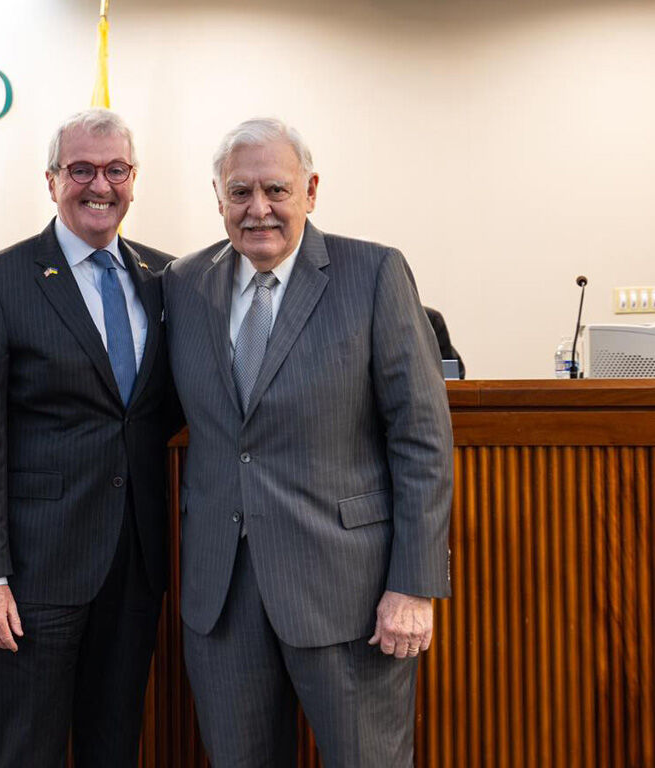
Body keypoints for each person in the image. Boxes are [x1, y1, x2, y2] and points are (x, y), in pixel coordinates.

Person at [162, 118, 453, 767]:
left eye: (276, 189)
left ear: (311, 190)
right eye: (239, 192)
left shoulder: (372, 272)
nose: (258, 208)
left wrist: (414, 585)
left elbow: (423, 437)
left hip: (350, 596)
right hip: (223, 598)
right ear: (217, 197)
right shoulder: (184, 285)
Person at [0, 108, 175, 767]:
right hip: (36, 570)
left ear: (134, 180)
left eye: (115, 170)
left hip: (135, 560)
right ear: (52, 181)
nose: (98, 185)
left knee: (114, 744)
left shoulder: (169, 279)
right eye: (81, 170)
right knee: (27, 749)